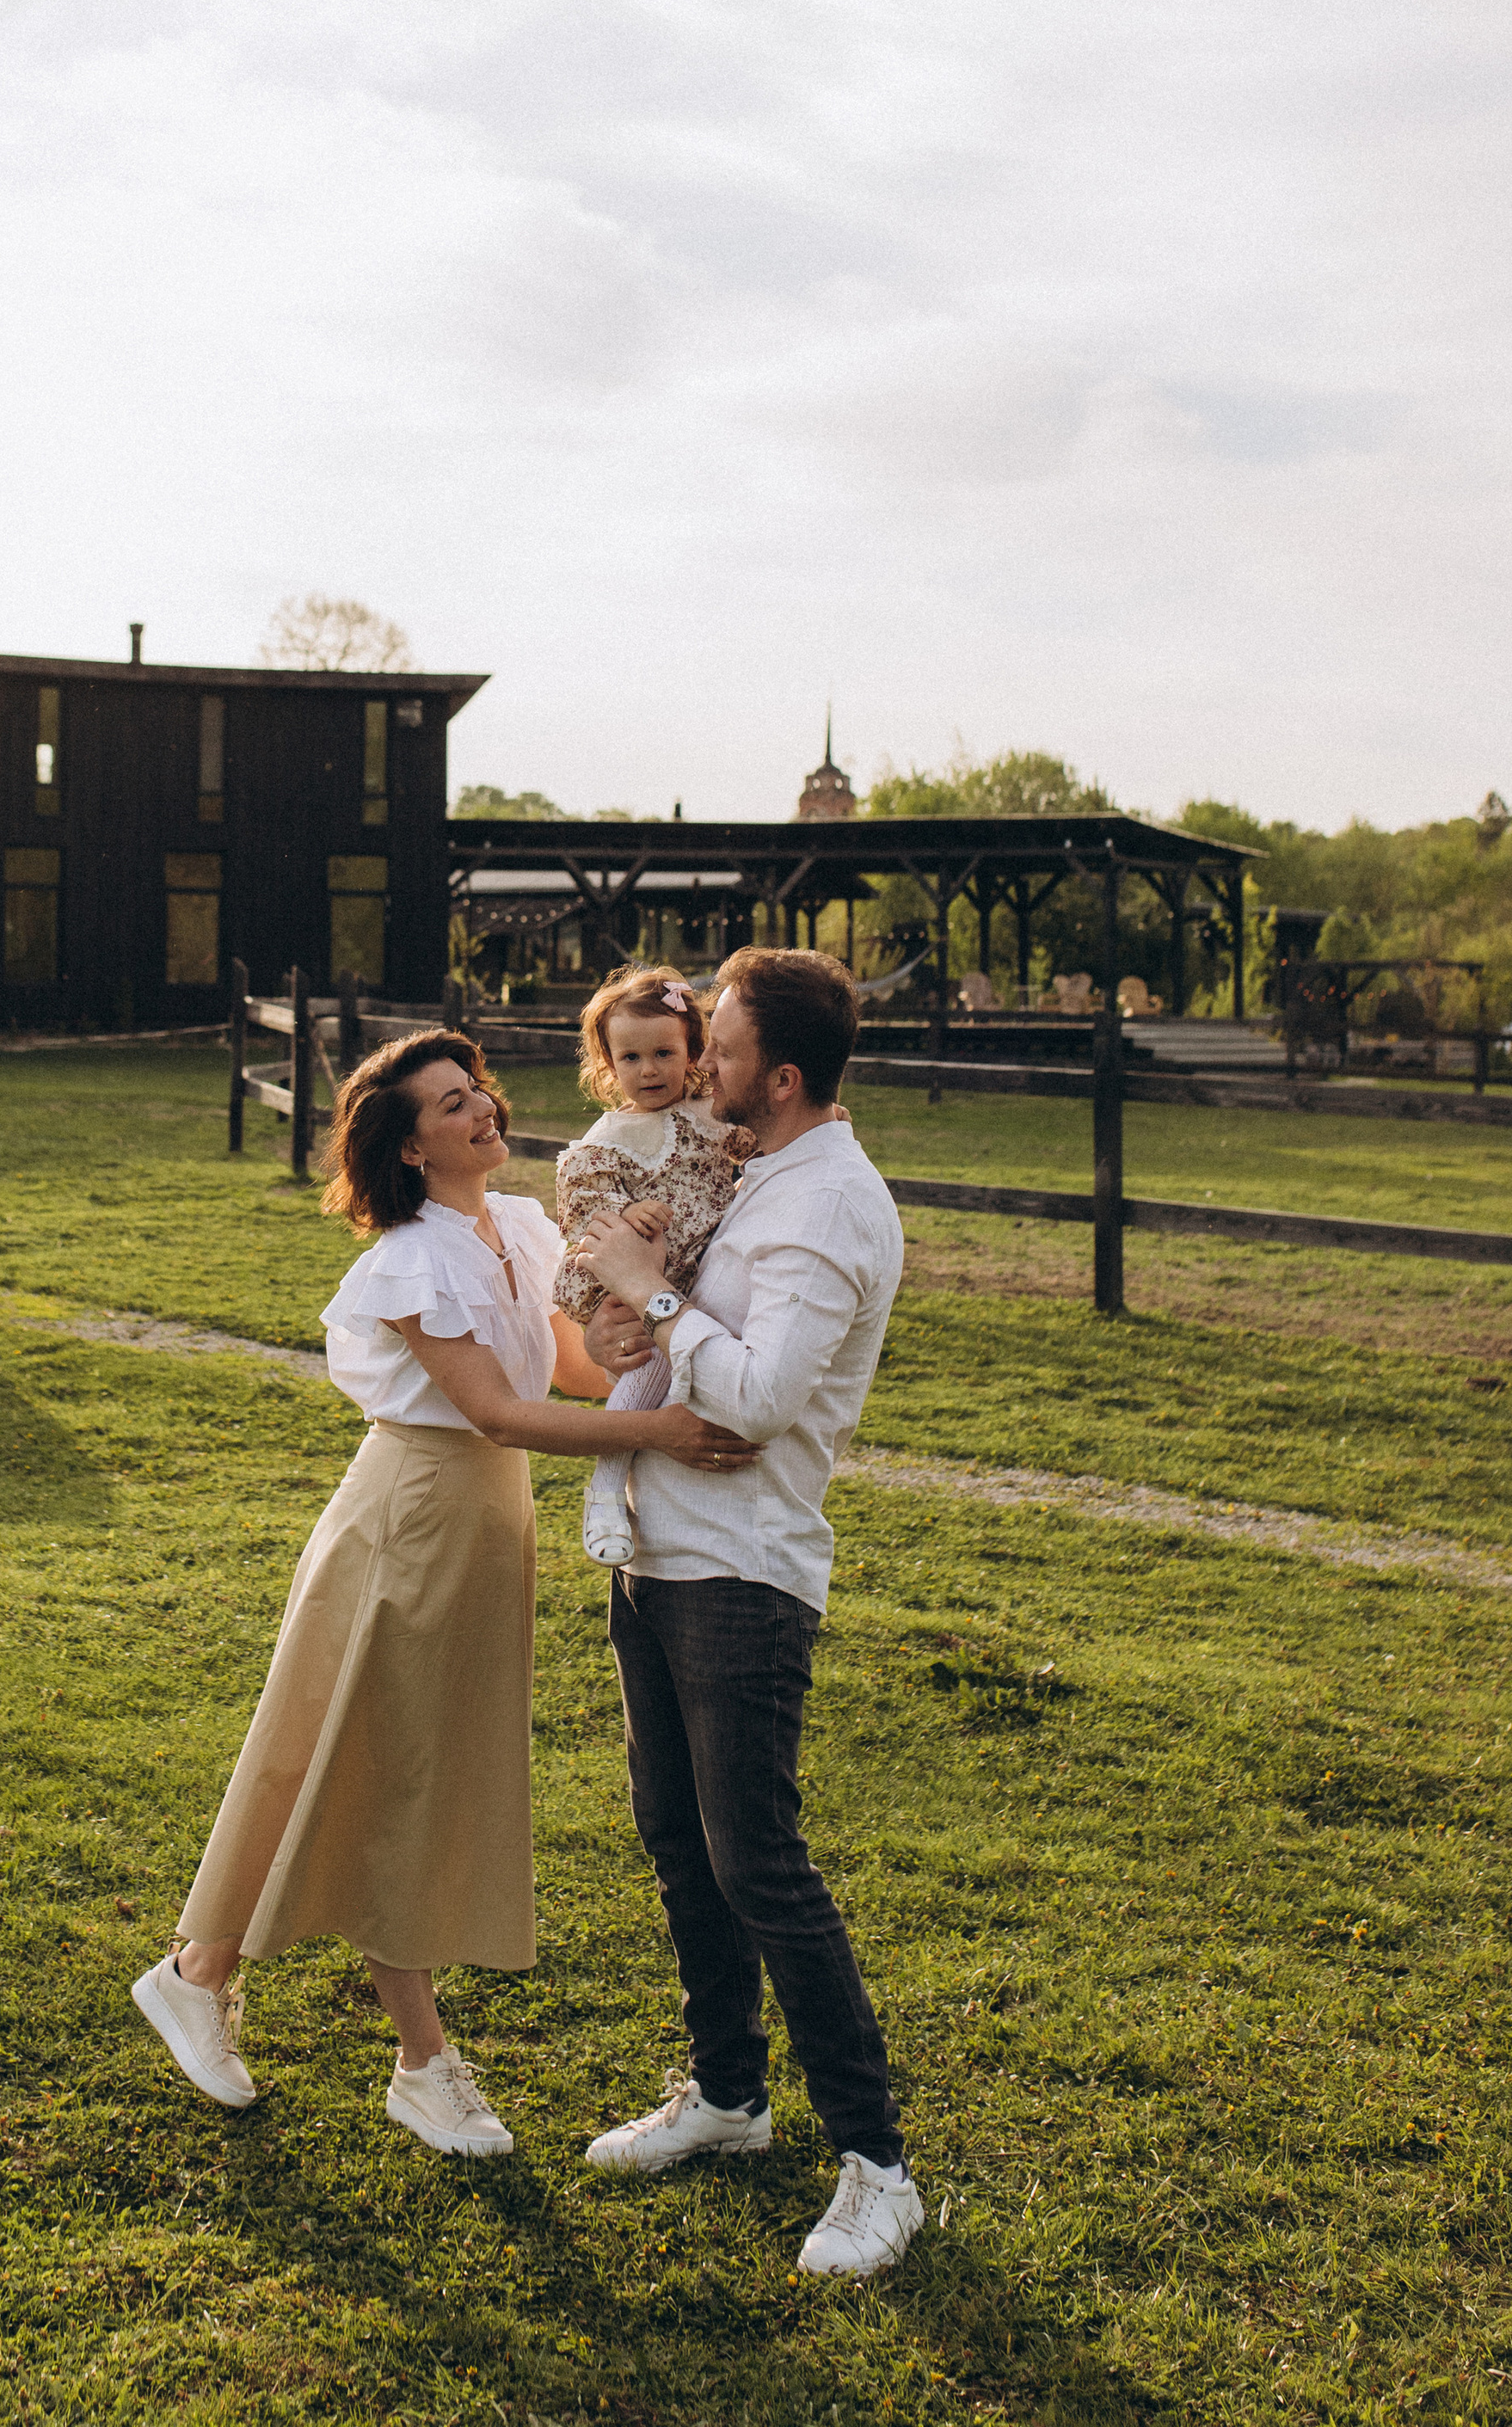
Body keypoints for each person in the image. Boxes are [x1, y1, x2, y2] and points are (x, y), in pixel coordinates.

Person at [132, 1026, 758, 2159]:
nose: (481, 1114)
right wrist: (662, 1429)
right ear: (411, 1149)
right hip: (411, 1520)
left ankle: (199, 1971)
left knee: (349, 1755)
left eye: (478, 1093)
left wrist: (637, 1329)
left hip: (482, 1526)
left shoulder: (514, 1225)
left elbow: (562, 1371)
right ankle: (421, 2063)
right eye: (450, 1106)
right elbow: (495, 1412)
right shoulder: (412, 1258)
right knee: (388, 1770)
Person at [573, 946, 924, 2280]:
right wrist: (622, 1321)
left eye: (715, 1049)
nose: (692, 1065)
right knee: (680, 1838)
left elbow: (762, 1399)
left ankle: (878, 2170)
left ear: (778, 1077)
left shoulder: (828, 1205)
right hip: (659, 1553)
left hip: (745, 1571)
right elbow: (670, 1343)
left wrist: (650, 1291)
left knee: (759, 1863)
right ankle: (727, 2098)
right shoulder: (755, 1171)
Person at [554, 967, 751, 1568]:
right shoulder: (608, 1139)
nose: (649, 1070)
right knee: (647, 1374)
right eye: (631, 1057)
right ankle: (606, 1490)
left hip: (711, 1277)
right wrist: (628, 1210)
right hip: (646, 1282)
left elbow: (764, 1148)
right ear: (608, 1064)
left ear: (693, 1048)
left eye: (665, 1053)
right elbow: (584, 1217)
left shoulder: (711, 1116)